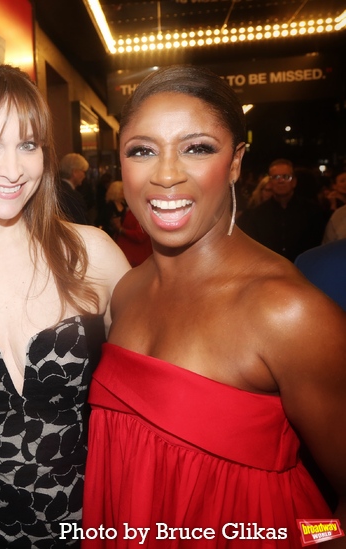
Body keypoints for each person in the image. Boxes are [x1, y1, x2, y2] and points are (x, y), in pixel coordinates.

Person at [82, 65, 346, 548]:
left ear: (236, 162)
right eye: (142, 150)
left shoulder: (286, 311)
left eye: (196, 147)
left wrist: (304, 537)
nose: (165, 174)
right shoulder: (126, 291)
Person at [0, 64, 130, 547]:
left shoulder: (90, 253)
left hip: (91, 525)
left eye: (27, 145)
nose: (12, 169)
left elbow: (159, 378)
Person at [237, 158, 328, 261]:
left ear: (294, 182)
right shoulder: (257, 214)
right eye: (276, 177)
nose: (281, 181)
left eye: (286, 177)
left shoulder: (312, 212)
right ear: (270, 182)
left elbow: (318, 246)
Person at [57, 152, 91, 225]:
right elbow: (82, 224)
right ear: (75, 172)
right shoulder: (73, 196)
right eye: (83, 172)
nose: (84, 176)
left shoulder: (55, 190)